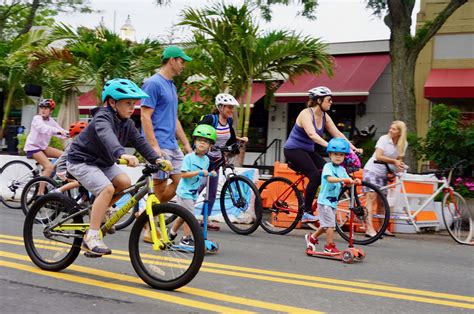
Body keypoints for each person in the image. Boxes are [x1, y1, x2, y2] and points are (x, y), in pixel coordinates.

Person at [67, 78, 166, 256]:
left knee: (124, 182)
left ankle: (99, 211)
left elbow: (139, 142)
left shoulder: (127, 123)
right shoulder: (102, 117)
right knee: (106, 189)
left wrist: (156, 159)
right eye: (127, 103)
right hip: (81, 160)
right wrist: (121, 154)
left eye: (133, 103)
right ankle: (92, 236)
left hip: (102, 162)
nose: (132, 107)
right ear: (112, 102)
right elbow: (106, 135)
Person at [283, 86, 362, 223]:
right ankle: (306, 212)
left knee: (327, 171)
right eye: (329, 100)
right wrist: (330, 146)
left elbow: (338, 134)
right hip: (293, 150)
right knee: (315, 175)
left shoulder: (325, 116)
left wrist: (353, 149)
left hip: (308, 151)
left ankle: (322, 203)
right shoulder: (306, 114)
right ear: (319, 100)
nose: (331, 102)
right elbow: (312, 135)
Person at [141, 45, 193, 205]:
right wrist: (154, 146)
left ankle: (146, 215)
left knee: (180, 181)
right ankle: (149, 226)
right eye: (181, 62)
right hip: (159, 144)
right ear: (172, 60)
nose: (183, 65)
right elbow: (145, 115)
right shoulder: (153, 84)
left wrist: (186, 144)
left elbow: (173, 118)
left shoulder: (171, 85)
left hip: (171, 144)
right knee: (160, 186)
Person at [196, 93, 248, 231]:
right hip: (204, 158)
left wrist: (239, 140)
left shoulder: (229, 122)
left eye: (232, 108)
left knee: (212, 192)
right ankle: (183, 213)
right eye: (228, 107)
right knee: (197, 188)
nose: (231, 110)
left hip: (217, 158)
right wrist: (207, 145)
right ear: (220, 107)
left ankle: (204, 220)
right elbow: (198, 134)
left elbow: (229, 137)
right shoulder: (210, 119)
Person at [305, 138, 361, 254]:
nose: (338, 157)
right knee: (330, 225)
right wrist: (343, 179)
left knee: (327, 224)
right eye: (335, 154)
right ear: (330, 154)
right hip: (324, 202)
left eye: (341, 155)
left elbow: (348, 181)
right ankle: (329, 246)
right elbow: (330, 179)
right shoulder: (327, 167)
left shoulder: (342, 169)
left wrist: (354, 181)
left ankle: (312, 237)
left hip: (333, 202)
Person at [167, 124, 217, 247]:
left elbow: (203, 174)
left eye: (206, 142)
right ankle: (185, 239)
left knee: (183, 216)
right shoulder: (188, 158)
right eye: (199, 140)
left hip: (193, 192)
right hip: (184, 192)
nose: (202, 143)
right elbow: (183, 175)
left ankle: (171, 234)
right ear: (194, 141)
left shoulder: (206, 160)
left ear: (210, 146)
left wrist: (211, 173)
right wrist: (199, 172)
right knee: (190, 216)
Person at [363, 120, 408, 237]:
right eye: (390, 128)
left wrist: (398, 168)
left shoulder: (403, 144)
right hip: (372, 170)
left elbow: (399, 160)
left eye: (394, 129)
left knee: (382, 203)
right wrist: (394, 161)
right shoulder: (384, 139)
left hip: (384, 174)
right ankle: (369, 229)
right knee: (371, 199)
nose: (390, 130)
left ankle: (382, 228)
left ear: (400, 132)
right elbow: (378, 156)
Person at [24, 99, 68, 180]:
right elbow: (43, 128)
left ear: (51, 110)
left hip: (43, 147)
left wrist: (71, 134)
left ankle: (51, 177)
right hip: (33, 147)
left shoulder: (51, 121)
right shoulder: (37, 118)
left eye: (46, 108)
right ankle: (40, 192)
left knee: (65, 155)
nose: (43, 110)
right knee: (49, 167)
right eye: (42, 108)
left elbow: (59, 129)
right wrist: (58, 131)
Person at [52, 121, 89, 195]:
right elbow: (62, 159)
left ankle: (84, 200)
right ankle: (57, 191)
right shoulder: (73, 145)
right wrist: (54, 167)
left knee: (87, 180)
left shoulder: (78, 144)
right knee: (81, 181)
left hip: (68, 169)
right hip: (63, 171)